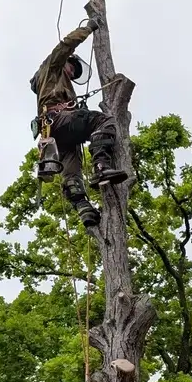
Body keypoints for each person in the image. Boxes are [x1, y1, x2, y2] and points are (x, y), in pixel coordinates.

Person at [29, 17, 127, 229]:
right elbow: (66, 45)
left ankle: (84, 210)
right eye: (71, 68)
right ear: (65, 61)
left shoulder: (55, 86)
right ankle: (101, 166)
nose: (72, 73)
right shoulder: (51, 66)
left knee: (71, 172)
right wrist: (89, 28)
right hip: (58, 120)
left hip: (54, 133)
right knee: (103, 121)